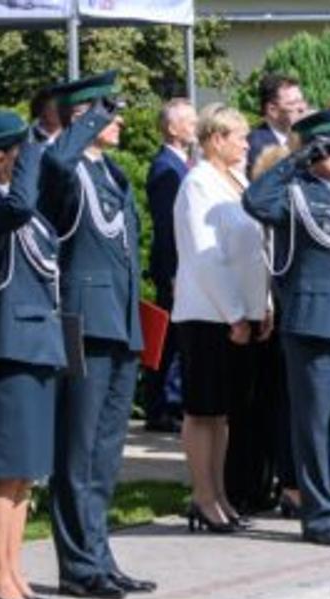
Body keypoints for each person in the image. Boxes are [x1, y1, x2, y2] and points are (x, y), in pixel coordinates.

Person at [242, 108, 330, 547]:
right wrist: (296, 158)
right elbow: (254, 201)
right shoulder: (296, 194)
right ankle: (319, 515)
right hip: (317, 328)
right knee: (315, 425)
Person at [40, 72, 155, 599]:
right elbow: (58, 162)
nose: (118, 121)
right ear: (83, 118)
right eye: (107, 114)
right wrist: (86, 124)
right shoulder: (63, 167)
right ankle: (78, 563)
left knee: (106, 452)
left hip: (119, 320)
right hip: (83, 320)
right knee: (78, 449)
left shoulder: (110, 172)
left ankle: (100, 553)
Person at [0, 110, 64, 599]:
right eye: (23, 152)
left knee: (25, 471)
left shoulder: (15, 201)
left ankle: (13, 568)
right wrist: (29, 155)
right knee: (4, 471)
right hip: (7, 347)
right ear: (0, 156)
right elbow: (20, 207)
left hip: (35, 340)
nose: (33, 160)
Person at [171, 103, 267, 534]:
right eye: (239, 136)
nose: (246, 143)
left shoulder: (238, 180)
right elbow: (206, 256)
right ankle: (203, 495)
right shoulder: (198, 183)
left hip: (241, 311)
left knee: (224, 413)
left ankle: (220, 492)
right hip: (208, 313)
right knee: (203, 409)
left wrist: (263, 305)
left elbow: (256, 251)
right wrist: (234, 313)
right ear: (215, 140)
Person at [144, 98, 196, 434]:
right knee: (172, 343)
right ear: (172, 128)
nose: (194, 126)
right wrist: (175, 272)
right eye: (189, 121)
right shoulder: (167, 168)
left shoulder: (180, 164)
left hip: (181, 268)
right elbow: (167, 225)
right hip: (175, 269)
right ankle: (163, 406)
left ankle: (168, 403)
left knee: (176, 342)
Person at [247, 74, 306, 170]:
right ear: (272, 110)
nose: (302, 108)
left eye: (301, 101)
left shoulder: (305, 136)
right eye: (293, 103)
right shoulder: (256, 146)